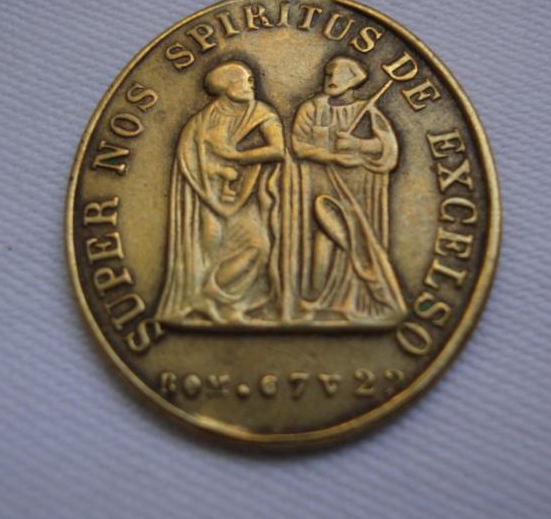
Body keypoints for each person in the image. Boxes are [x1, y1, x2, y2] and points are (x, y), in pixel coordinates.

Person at [155, 60, 285, 325]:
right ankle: (219, 309)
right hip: (207, 195)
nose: (251, 84)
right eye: (244, 80)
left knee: (258, 245)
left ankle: (214, 296)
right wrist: (215, 173)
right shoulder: (201, 122)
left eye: (251, 80)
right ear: (226, 86)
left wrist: (237, 156)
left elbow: (277, 150)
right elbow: (189, 161)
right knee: (210, 248)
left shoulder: (261, 113)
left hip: (246, 193)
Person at [290, 55, 406, 325]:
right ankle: (322, 299)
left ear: (353, 80)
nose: (330, 80)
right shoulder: (311, 108)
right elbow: (298, 144)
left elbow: (388, 148)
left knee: (357, 240)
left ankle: (360, 298)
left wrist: (358, 145)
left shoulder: (367, 110)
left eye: (337, 75)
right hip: (321, 183)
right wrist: (330, 156)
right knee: (324, 240)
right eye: (328, 74)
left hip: (357, 187)